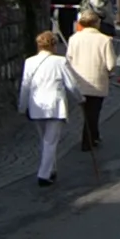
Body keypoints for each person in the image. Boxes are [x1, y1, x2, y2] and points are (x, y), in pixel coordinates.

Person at [18, 30, 76, 186]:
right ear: (54, 45)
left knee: (45, 140)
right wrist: (81, 98)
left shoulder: (29, 62)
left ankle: (51, 169)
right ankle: (43, 175)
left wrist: (22, 107)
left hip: (37, 107)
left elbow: (25, 86)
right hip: (55, 106)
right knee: (50, 141)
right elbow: (71, 84)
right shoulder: (60, 61)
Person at [66, 7, 115, 157]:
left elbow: (69, 60)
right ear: (96, 23)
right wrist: (109, 73)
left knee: (87, 111)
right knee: (94, 111)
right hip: (97, 80)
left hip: (79, 80)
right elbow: (111, 64)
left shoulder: (74, 39)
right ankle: (87, 140)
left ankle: (94, 136)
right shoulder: (104, 40)